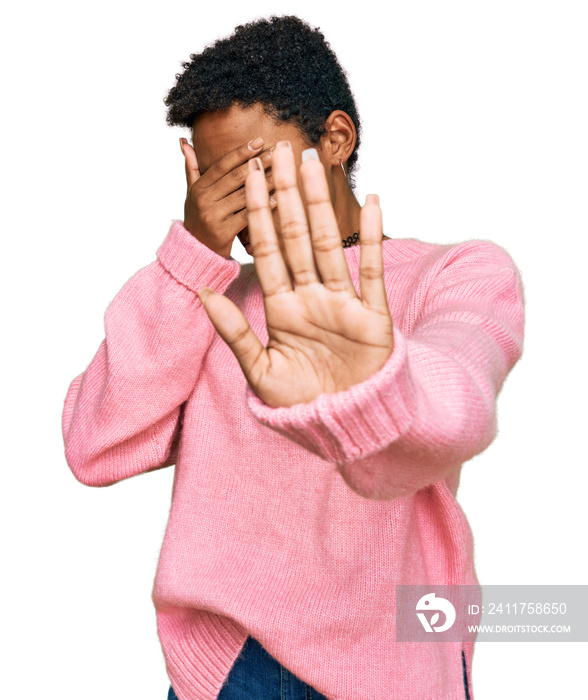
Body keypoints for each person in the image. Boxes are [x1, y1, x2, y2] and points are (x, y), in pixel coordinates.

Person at [61, 15, 525, 700]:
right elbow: (94, 446)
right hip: (232, 664)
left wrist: (370, 383)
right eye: (215, 182)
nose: (239, 205)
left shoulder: (456, 272)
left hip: (395, 662)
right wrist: (192, 257)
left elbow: (460, 401)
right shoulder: (208, 300)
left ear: (336, 138)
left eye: (256, 170)